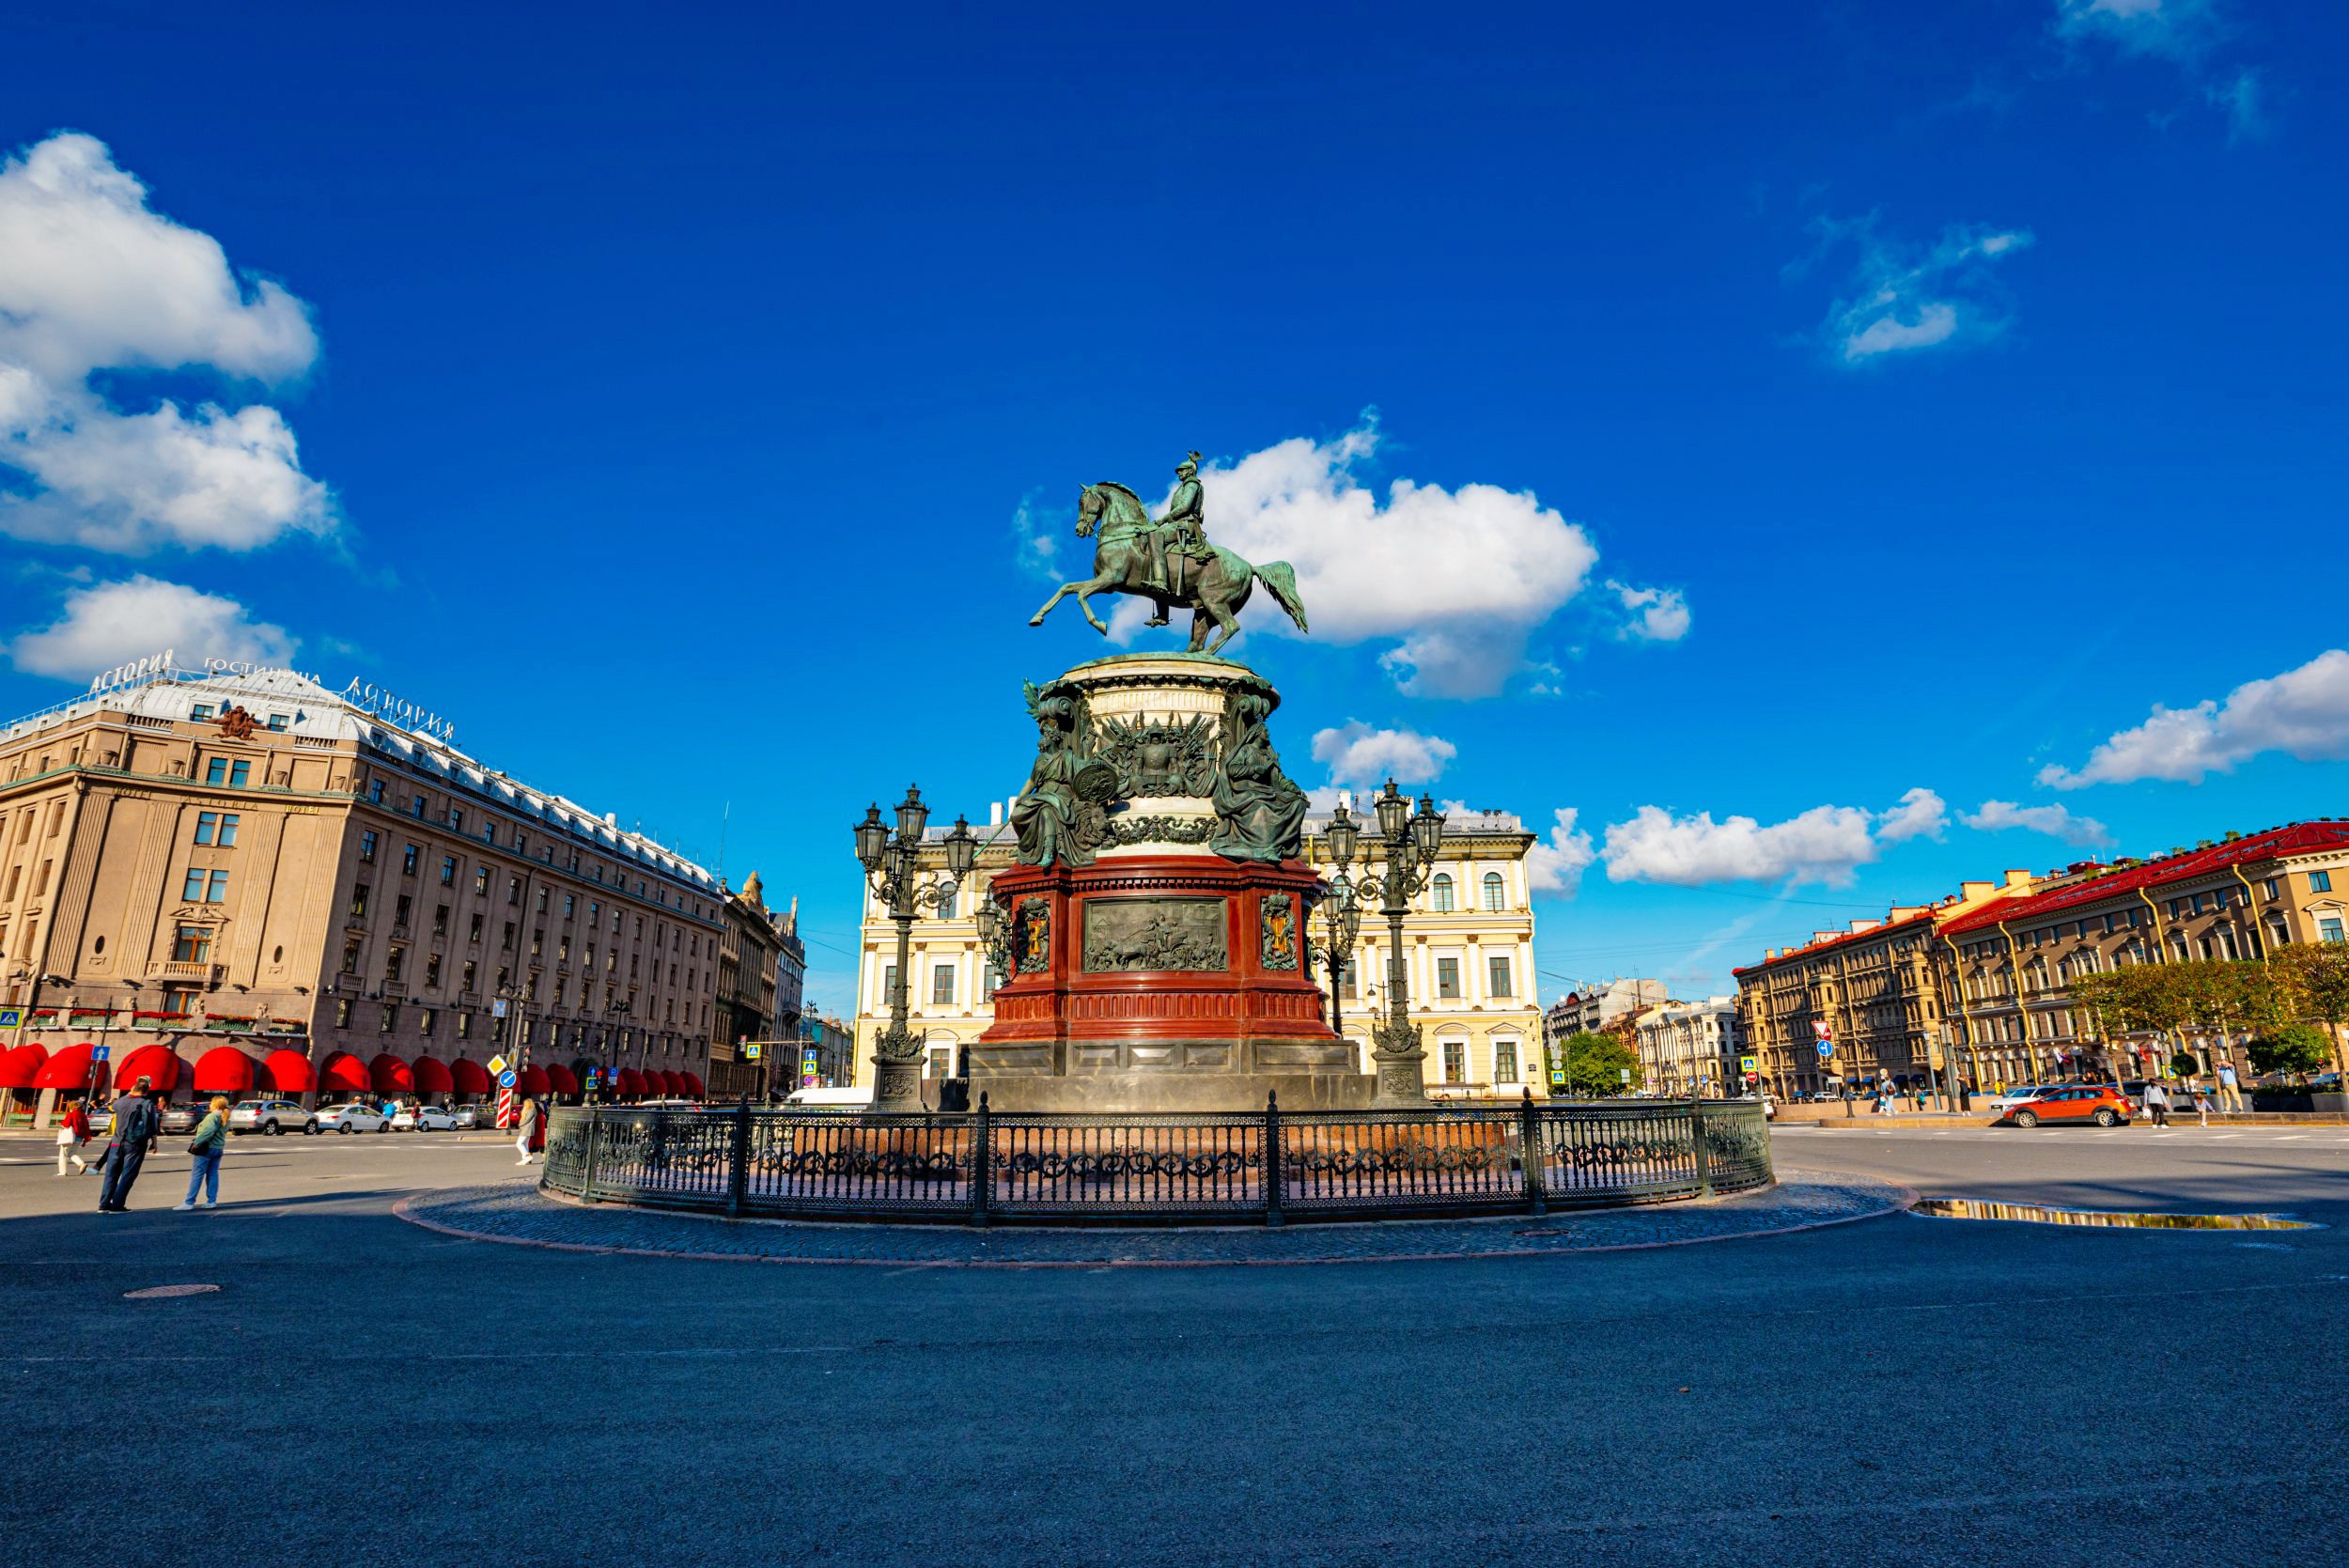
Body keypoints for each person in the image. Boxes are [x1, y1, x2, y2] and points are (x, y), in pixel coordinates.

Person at [98, 1076, 161, 1212]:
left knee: (111, 1175)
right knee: (128, 1174)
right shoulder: (147, 1103)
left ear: (133, 1088)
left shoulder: (121, 1101)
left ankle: (103, 1205)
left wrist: (127, 1095)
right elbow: (152, 1125)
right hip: (135, 1143)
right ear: (146, 1090)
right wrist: (154, 1143)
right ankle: (117, 1205)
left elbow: (112, 1107)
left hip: (116, 1143)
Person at [176, 1095, 230, 1210]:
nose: (209, 1105)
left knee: (197, 1175)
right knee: (213, 1174)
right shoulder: (225, 1117)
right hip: (218, 1149)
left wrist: (197, 1142)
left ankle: (189, 1202)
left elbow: (209, 1131)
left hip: (206, 1148)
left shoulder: (212, 1117)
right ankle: (211, 1201)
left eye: (211, 1103)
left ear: (215, 1105)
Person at [55, 1100, 92, 1176]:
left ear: (71, 1107)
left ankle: (63, 1172)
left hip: (70, 1136)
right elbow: (86, 1127)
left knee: (63, 1154)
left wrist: (61, 1124)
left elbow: (66, 1125)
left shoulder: (71, 1114)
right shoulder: (83, 1115)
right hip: (79, 1137)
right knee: (72, 1153)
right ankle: (81, 1164)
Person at [515, 1094, 540, 1165]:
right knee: (525, 1144)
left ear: (528, 1104)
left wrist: (520, 1125)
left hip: (527, 1129)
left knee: (519, 1144)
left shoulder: (531, 1110)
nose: (524, 1105)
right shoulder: (532, 1110)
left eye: (525, 1104)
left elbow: (527, 1120)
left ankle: (527, 1156)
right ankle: (524, 1160)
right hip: (528, 1129)